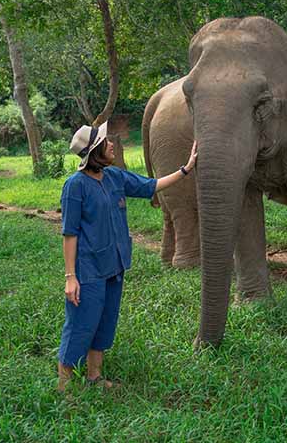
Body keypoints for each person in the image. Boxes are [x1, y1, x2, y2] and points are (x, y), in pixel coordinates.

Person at [57, 123, 197, 392]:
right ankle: (64, 386)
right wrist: (70, 276)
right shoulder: (75, 186)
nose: (112, 145)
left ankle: (94, 377)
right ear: (95, 150)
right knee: (81, 325)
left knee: (104, 322)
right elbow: (69, 233)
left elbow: (151, 185)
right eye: (106, 142)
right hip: (88, 270)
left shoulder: (115, 178)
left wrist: (185, 169)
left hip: (114, 265)